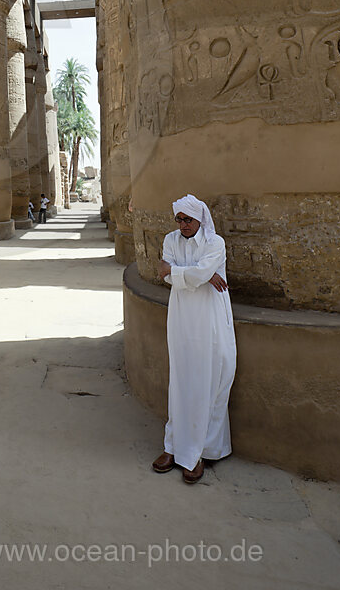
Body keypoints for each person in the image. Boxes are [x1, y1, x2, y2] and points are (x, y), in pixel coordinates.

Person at [151, 193, 237, 484]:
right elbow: (167, 274)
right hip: (181, 318)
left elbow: (183, 272)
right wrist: (197, 274)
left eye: (188, 219)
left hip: (209, 319)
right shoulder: (170, 240)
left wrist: (185, 272)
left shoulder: (215, 243)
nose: (183, 224)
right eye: (179, 219)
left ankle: (199, 451)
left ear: (200, 218)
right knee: (181, 379)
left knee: (208, 379)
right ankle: (173, 447)